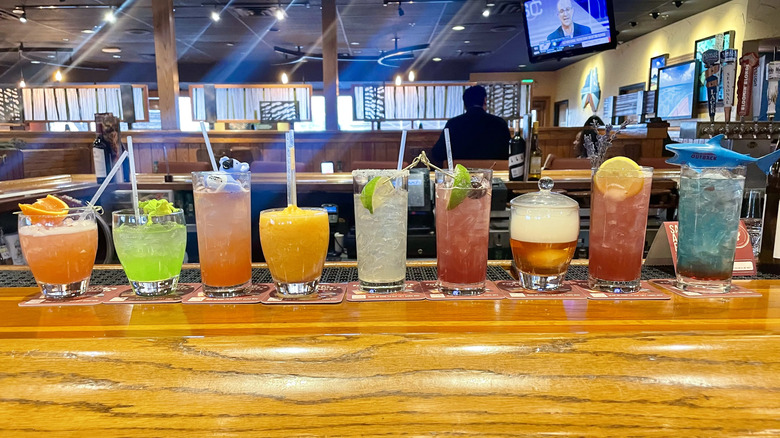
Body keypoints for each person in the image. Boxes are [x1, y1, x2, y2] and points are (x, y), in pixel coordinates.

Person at [431, 85, 511, 164]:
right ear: (485, 100)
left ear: (465, 104)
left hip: (460, 174)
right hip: (494, 172)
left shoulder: (453, 124)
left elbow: (437, 154)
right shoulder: (499, 123)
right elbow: (509, 153)